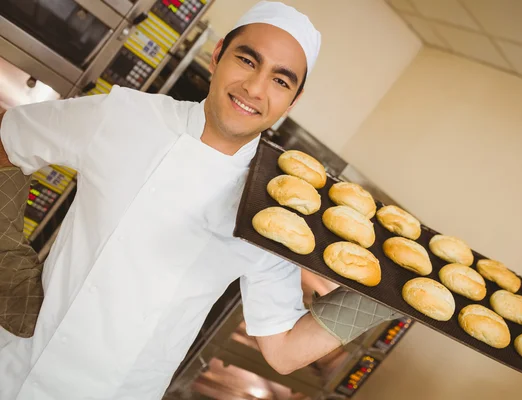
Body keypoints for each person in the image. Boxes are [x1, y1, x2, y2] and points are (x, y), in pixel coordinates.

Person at [0, 2, 398, 399]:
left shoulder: (275, 211)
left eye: (281, 81)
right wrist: (6, 257)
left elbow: (283, 351)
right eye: (247, 60)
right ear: (217, 54)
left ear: (293, 101)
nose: (255, 88)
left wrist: (387, 298)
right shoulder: (124, 116)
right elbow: (9, 140)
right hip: (15, 363)